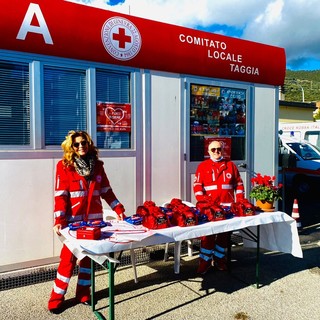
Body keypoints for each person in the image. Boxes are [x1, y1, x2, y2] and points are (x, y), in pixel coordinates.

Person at [48, 130, 126, 314]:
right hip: (72, 223)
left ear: (89, 143)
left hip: (94, 222)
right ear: (71, 147)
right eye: (77, 144)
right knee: (67, 260)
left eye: (84, 143)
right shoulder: (64, 166)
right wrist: (59, 219)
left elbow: (106, 190)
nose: (81, 146)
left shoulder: (98, 166)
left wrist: (118, 208)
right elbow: (61, 196)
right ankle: (56, 298)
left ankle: (83, 293)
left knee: (88, 260)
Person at [193, 140, 245, 274]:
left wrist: (239, 201)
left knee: (224, 235)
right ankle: (204, 262)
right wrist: (204, 202)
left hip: (227, 208)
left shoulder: (231, 165)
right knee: (208, 236)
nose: (216, 152)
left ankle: (219, 260)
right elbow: (198, 187)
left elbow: (239, 184)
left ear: (223, 150)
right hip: (210, 209)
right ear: (209, 151)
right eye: (213, 149)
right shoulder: (203, 166)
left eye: (219, 149)